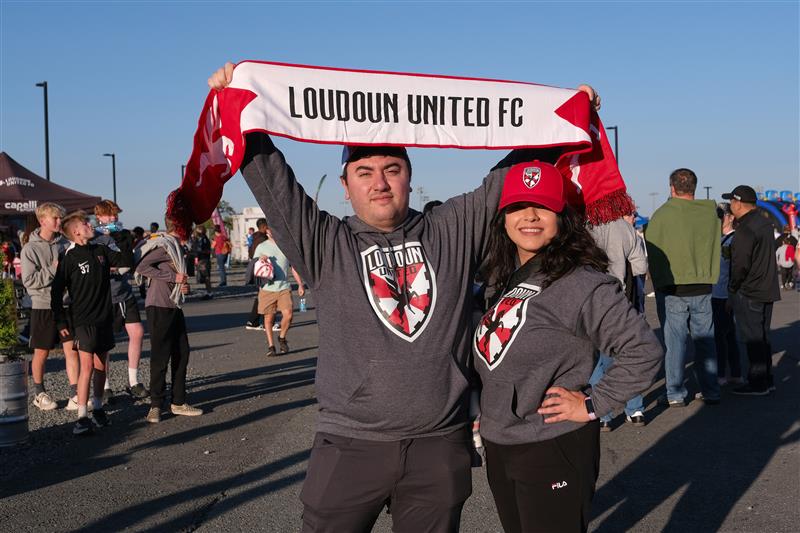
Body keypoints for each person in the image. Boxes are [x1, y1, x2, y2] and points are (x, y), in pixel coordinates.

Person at [209, 63, 601, 532]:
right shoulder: (325, 242)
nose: (380, 182)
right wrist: (237, 103)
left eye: (392, 170)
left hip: (437, 446)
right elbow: (272, 183)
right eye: (365, 172)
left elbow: (507, 173)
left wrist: (562, 118)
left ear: (409, 177)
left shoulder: (450, 229)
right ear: (345, 185)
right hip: (350, 444)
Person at [474, 161, 661, 533]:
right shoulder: (500, 277)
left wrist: (593, 403)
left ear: (563, 216)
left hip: (552, 444)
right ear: (503, 217)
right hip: (501, 441)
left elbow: (643, 351)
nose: (529, 216)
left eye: (542, 206)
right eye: (517, 206)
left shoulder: (582, 282)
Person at [51, 211, 133, 435]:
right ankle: (81, 417)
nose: (90, 225)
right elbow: (56, 291)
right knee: (86, 366)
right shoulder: (70, 257)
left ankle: (97, 409)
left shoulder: (100, 250)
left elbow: (126, 260)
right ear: (76, 232)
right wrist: (60, 320)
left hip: (103, 317)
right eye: (85, 223)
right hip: (83, 320)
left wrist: (122, 236)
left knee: (100, 366)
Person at [645, 168, 721, 407]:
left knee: (675, 344)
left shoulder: (662, 215)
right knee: (705, 340)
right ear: (694, 188)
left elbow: (653, 254)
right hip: (703, 285)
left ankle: (675, 393)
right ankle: (711, 390)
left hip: (674, 289)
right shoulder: (710, 214)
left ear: (672, 187)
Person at [135, 217, 202, 422]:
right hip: (158, 305)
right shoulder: (165, 245)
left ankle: (178, 401)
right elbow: (141, 266)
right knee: (160, 355)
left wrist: (183, 286)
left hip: (174, 305)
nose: (191, 231)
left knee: (182, 352)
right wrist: (173, 278)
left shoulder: (176, 247)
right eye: (188, 227)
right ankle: (155, 405)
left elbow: (177, 277)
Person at [587, 213, 649, 430]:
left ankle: (603, 414)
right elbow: (640, 267)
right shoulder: (625, 228)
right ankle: (636, 409)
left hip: (593, 302)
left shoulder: (586, 227)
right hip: (622, 300)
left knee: (597, 361)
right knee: (628, 356)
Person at [20, 202, 79, 411]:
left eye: (60, 218)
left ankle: (75, 394)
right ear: (42, 220)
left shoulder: (64, 244)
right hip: (43, 307)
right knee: (41, 352)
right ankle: (39, 393)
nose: (58, 222)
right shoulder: (29, 249)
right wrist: (54, 269)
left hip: (65, 305)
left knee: (72, 350)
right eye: (55, 218)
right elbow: (30, 281)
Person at [724, 185, 781, 395]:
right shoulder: (764, 222)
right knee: (763, 336)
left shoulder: (745, 228)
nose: (730, 206)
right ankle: (767, 379)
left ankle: (758, 382)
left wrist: (732, 289)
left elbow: (740, 265)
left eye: (731, 201)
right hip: (767, 287)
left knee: (753, 339)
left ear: (738, 203)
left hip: (750, 290)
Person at [92, 200, 149, 400]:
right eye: (109, 215)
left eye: (115, 214)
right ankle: (105, 385)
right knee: (105, 342)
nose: (113, 218)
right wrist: (112, 269)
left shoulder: (124, 234)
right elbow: (93, 265)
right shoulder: (93, 237)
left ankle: (133, 380)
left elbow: (129, 261)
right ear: (99, 216)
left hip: (124, 292)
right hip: (103, 295)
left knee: (138, 332)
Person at [252, 224, 305, 356]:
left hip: (284, 287)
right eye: (271, 229)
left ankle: (281, 337)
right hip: (267, 288)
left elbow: (293, 267)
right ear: (268, 231)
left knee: (289, 314)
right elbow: (254, 266)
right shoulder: (261, 247)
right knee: (268, 318)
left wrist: (300, 284)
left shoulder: (286, 245)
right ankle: (271, 346)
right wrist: (260, 259)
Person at [712, 202, 743, 386]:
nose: (718, 218)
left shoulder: (733, 240)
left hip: (724, 295)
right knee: (727, 335)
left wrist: (732, 295)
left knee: (721, 337)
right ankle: (735, 373)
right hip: (716, 293)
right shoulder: (718, 239)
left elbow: (735, 270)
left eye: (721, 214)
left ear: (731, 217)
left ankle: (722, 374)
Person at [244, 218, 269, 330]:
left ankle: (253, 321)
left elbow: (250, 253)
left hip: (256, 268)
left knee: (262, 295)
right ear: (264, 227)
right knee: (267, 295)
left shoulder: (253, 238)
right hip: (263, 269)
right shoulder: (263, 239)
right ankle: (267, 322)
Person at [191, 225, 212, 293]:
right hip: (204, 259)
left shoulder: (201, 239)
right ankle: (209, 292)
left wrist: (196, 255)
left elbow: (199, 250)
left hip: (203, 260)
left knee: (206, 277)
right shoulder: (204, 238)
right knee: (206, 277)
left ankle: (209, 293)